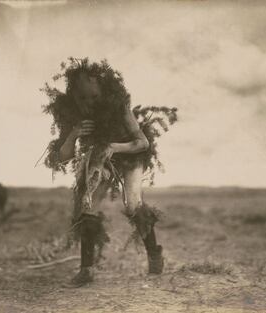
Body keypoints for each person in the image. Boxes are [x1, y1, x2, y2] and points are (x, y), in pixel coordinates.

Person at [42, 59, 170, 287]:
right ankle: (86, 270)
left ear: (102, 90)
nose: (89, 103)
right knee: (87, 204)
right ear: (74, 96)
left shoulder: (118, 105)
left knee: (133, 205)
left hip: (129, 154)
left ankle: (154, 254)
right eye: (82, 98)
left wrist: (114, 147)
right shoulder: (71, 112)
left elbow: (142, 143)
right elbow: (62, 156)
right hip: (101, 155)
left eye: (94, 97)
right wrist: (74, 134)